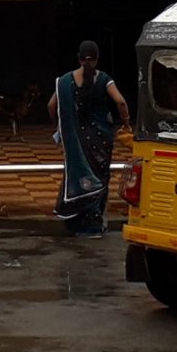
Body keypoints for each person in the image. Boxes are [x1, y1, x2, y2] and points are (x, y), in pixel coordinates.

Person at [49, 40, 130, 236]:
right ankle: (93, 226)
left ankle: (76, 224)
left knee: (77, 177)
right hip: (100, 140)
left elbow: (51, 105)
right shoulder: (103, 79)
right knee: (99, 180)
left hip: (75, 140)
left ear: (79, 58)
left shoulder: (65, 81)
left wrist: (59, 125)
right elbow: (120, 101)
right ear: (97, 58)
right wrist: (126, 123)